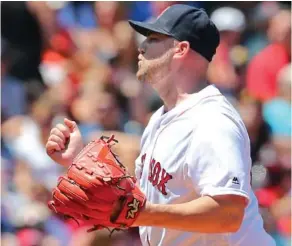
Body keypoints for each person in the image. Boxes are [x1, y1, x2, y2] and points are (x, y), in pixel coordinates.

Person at [46, 4, 276, 246]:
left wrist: (141, 214)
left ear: (181, 49)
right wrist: (79, 160)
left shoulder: (212, 121)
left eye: (154, 38)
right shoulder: (160, 117)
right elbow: (157, 194)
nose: (141, 46)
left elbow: (228, 213)